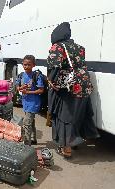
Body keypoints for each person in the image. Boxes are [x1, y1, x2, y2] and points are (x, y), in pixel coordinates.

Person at [47, 22, 99, 158]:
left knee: (65, 116)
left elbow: (55, 66)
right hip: (84, 84)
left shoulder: (57, 47)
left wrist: (51, 80)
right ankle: (75, 142)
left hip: (67, 86)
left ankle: (67, 149)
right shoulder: (80, 48)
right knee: (78, 114)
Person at [16, 55, 44, 145]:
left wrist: (28, 92)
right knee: (31, 122)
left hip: (33, 103)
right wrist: (21, 88)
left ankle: (27, 144)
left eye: (28, 65)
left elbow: (41, 90)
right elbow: (17, 87)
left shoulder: (36, 76)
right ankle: (33, 139)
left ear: (33, 65)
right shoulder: (21, 75)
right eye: (24, 64)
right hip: (25, 102)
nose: (26, 66)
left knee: (26, 123)